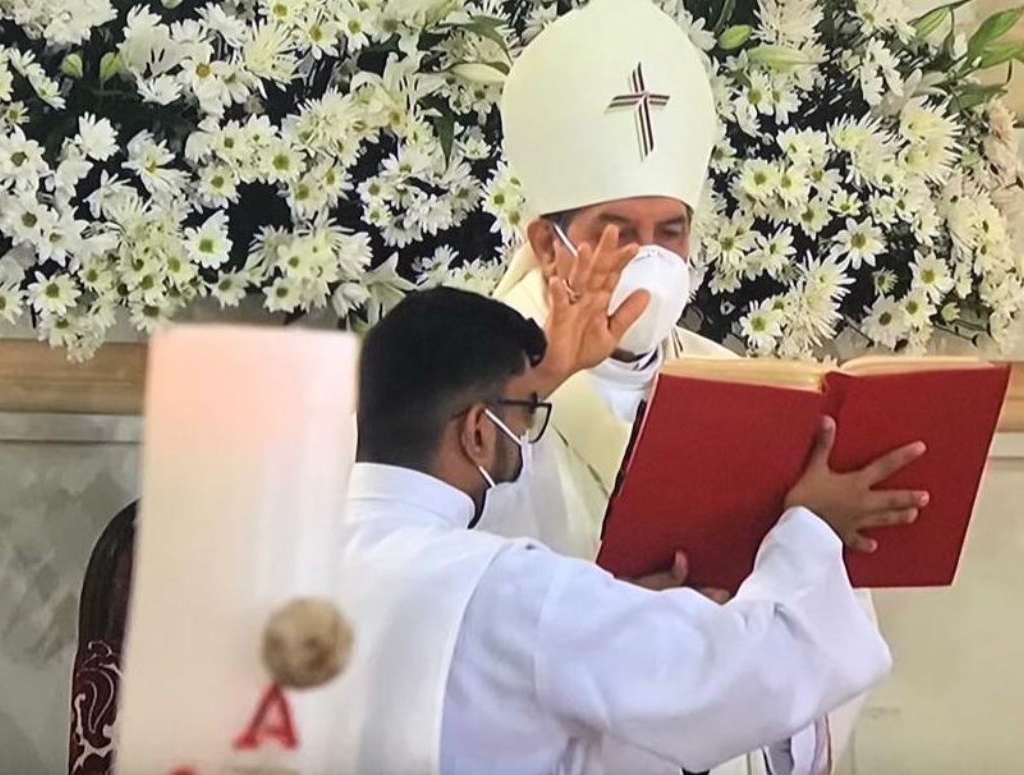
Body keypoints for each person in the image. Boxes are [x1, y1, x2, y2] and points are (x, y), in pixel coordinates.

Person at [490, 0, 926, 770]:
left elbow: (831, 634)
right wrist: (616, 624)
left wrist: (818, 541)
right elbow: (444, 612)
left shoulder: (746, 386)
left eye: (670, 231)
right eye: (614, 229)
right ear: (547, 244)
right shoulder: (483, 394)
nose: (648, 258)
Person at [320, 227, 913, 775]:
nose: (527, 436)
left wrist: (619, 612)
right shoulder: (511, 589)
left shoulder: (293, 560)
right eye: (527, 413)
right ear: (477, 432)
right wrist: (811, 528)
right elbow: (736, 677)